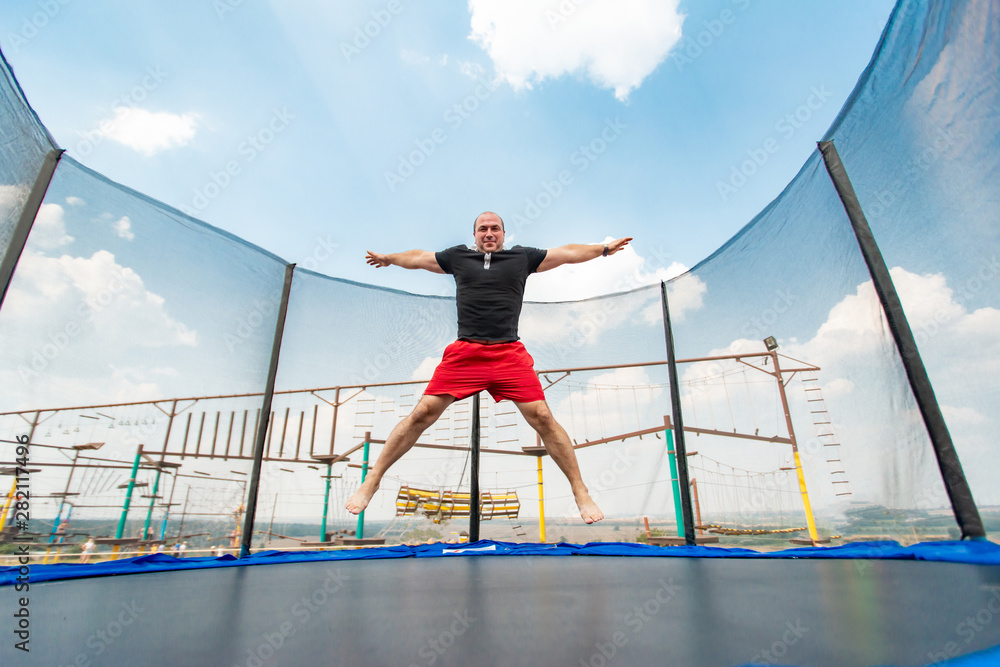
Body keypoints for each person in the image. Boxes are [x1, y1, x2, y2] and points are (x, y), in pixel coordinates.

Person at [345, 211, 632, 524]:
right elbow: (419, 258)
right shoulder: (458, 257)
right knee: (422, 413)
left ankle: (580, 490)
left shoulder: (521, 258)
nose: (489, 233)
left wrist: (602, 249)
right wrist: (390, 258)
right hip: (466, 353)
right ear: (476, 235)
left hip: (509, 353)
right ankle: (372, 480)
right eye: (483, 229)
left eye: (495, 228)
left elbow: (566, 253)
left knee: (543, 416)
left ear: (504, 234)